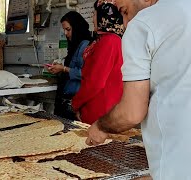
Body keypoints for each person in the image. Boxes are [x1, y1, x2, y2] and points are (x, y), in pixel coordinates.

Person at [84, 0, 191, 179]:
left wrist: (101, 127)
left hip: (176, 161)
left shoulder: (143, 23)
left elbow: (132, 112)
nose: (125, 23)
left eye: (124, 12)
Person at [71, 0, 124, 125]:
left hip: (99, 110)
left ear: (103, 17)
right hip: (100, 107)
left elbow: (95, 82)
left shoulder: (109, 41)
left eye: (94, 14)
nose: (92, 18)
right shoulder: (108, 40)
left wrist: (76, 103)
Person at [47, 11, 92, 120]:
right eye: (64, 30)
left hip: (75, 101)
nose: (66, 33)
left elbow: (85, 74)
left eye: (68, 29)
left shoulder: (85, 45)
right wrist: (60, 67)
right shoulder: (74, 45)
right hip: (65, 98)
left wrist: (63, 68)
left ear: (77, 28)